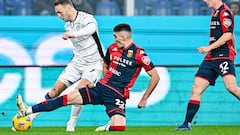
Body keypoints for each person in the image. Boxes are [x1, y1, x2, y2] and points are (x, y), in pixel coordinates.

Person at [16, 23, 160, 132]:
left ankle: (107, 127)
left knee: (119, 127)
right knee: (66, 99)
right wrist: (105, 79)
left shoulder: (139, 54)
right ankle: (27, 110)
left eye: (116, 37)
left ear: (124, 37)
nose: (114, 40)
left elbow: (155, 76)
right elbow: (105, 64)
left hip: (117, 95)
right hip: (101, 88)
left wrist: (144, 97)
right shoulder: (112, 48)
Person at [15, 0, 104, 132]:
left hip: (94, 63)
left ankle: (71, 124)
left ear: (68, 7)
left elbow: (91, 29)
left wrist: (73, 34)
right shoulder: (67, 26)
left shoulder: (87, 19)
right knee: (54, 92)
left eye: (59, 12)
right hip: (77, 63)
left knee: (78, 92)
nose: (59, 16)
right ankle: (31, 117)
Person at [176, 0, 239, 131]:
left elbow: (228, 34)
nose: (205, 1)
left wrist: (209, 47)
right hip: (211, 57)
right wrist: (235, 48)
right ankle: (186, 124)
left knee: (231, 87)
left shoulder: (225, 12)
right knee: (196, 89)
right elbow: (231, 33)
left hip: (223, 56)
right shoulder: (215, 11)